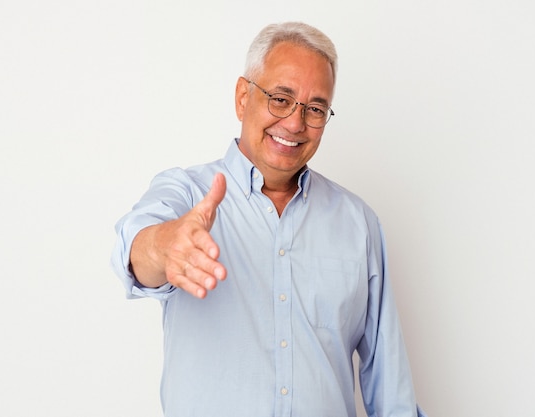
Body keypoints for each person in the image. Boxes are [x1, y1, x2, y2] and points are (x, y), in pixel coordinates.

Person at [111, 21, 426, 417]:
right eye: (280, 98)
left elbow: (390, 387)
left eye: (315, 109)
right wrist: (165, 246)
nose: (295, 123)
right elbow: (134, 247)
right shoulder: (187, 194)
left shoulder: (358, 223)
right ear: (243, 97)